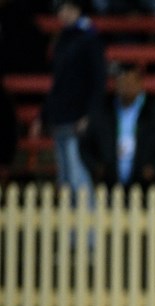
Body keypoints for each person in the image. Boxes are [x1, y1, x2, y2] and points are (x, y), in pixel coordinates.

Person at [31, 0, 105, 198]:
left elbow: (98, 81)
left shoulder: (89, 38)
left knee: (77, 173)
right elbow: (58, 83)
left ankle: (87, 226)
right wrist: (43, 115)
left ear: (76, 9)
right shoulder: (63, 39)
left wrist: (89, 114)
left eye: (65, 9)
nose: (62, 14)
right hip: (61, 116)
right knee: (65, 176)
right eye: (60, 10)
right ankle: (71, 224)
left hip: (77, 116)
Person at [80, 63, 155, 189]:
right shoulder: (104, 111)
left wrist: (154, 169)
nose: (127, 86)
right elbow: (85, 144)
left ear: (140, 84)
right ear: (116, 84)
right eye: (123, 81)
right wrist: (97, 168)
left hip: (146, 187)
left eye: (131, 82)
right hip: (110, 185)